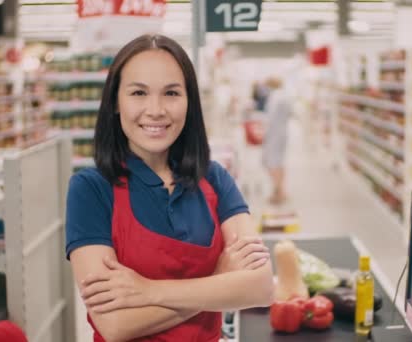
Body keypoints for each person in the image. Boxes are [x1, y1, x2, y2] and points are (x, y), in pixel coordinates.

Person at [65, 34, 274, 342]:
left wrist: (148, 290)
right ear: (115, 103)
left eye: (171, 93)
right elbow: (115, 325)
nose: (156, 110)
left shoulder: (214, 178)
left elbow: (261, 287)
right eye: (138, 92)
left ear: (189, 102)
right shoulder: (91, 189)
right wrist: (219, 279)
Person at [262, 77, 291, 205]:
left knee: (271, 162)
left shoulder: (274, 97)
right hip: (283, 132)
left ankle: (277, 192)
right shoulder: (284, 96)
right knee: (279, 162)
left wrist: (264, 132)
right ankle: (282, 191)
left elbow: (271, 117)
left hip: (274, 133)